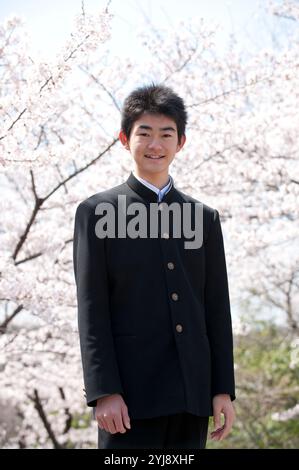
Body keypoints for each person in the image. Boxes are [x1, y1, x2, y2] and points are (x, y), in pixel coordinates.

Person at [73, 83, 236, 449]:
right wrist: (104, 390)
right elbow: (92, 308)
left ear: (181, 143)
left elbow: (216, 308)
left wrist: (222, 388)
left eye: (166, 134)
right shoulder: (96, 212)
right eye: (144, 133)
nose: (155, 145)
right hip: (128, 399)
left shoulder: (204, 218)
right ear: (124, 139)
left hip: (191, 395)